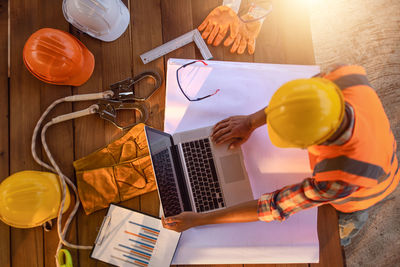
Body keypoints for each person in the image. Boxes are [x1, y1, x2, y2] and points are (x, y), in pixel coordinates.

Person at [161, 64, 400, 246]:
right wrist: (250, 122)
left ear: (312, 144)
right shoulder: (344, 76)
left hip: (371, 188)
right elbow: (299, 101)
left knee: (344, 217)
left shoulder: (340, 178)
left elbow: (275, 206)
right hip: (379, 143)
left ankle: (355, 220)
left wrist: (200, 219)